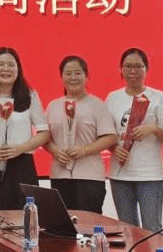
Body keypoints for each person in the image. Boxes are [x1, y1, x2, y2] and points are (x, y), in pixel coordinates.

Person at [105, 47, 163, 232]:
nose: (133, 71)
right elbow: (105, 134)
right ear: (121, 69)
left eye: (138, 66)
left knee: (152, 229)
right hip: (120, 175)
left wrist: (152, 129)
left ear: (146, 68)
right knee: (127, 231)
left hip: (149, 175)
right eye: (128, 66)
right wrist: (113, 148)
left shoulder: (157, 97)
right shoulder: (112, 98)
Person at [0, 47, 49, 211]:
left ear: (18, 69)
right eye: (1, 64)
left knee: (24, 215)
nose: (6, 69)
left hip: (22, 166)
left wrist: (21, 148)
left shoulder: (30, 96)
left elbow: (44, 133)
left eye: (11, 65)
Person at [45, 55, 117, 213]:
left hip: (89, 177)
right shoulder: (53, 106)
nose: (73, 77)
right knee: (62, 224)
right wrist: (56, 151)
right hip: (59, 175)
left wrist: (84, 150)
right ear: (61, 77)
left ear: (87, 76)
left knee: (88, 224)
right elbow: (44, 138)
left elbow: (110, 137)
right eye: (68, 73)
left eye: (78, 73)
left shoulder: (98, 105)